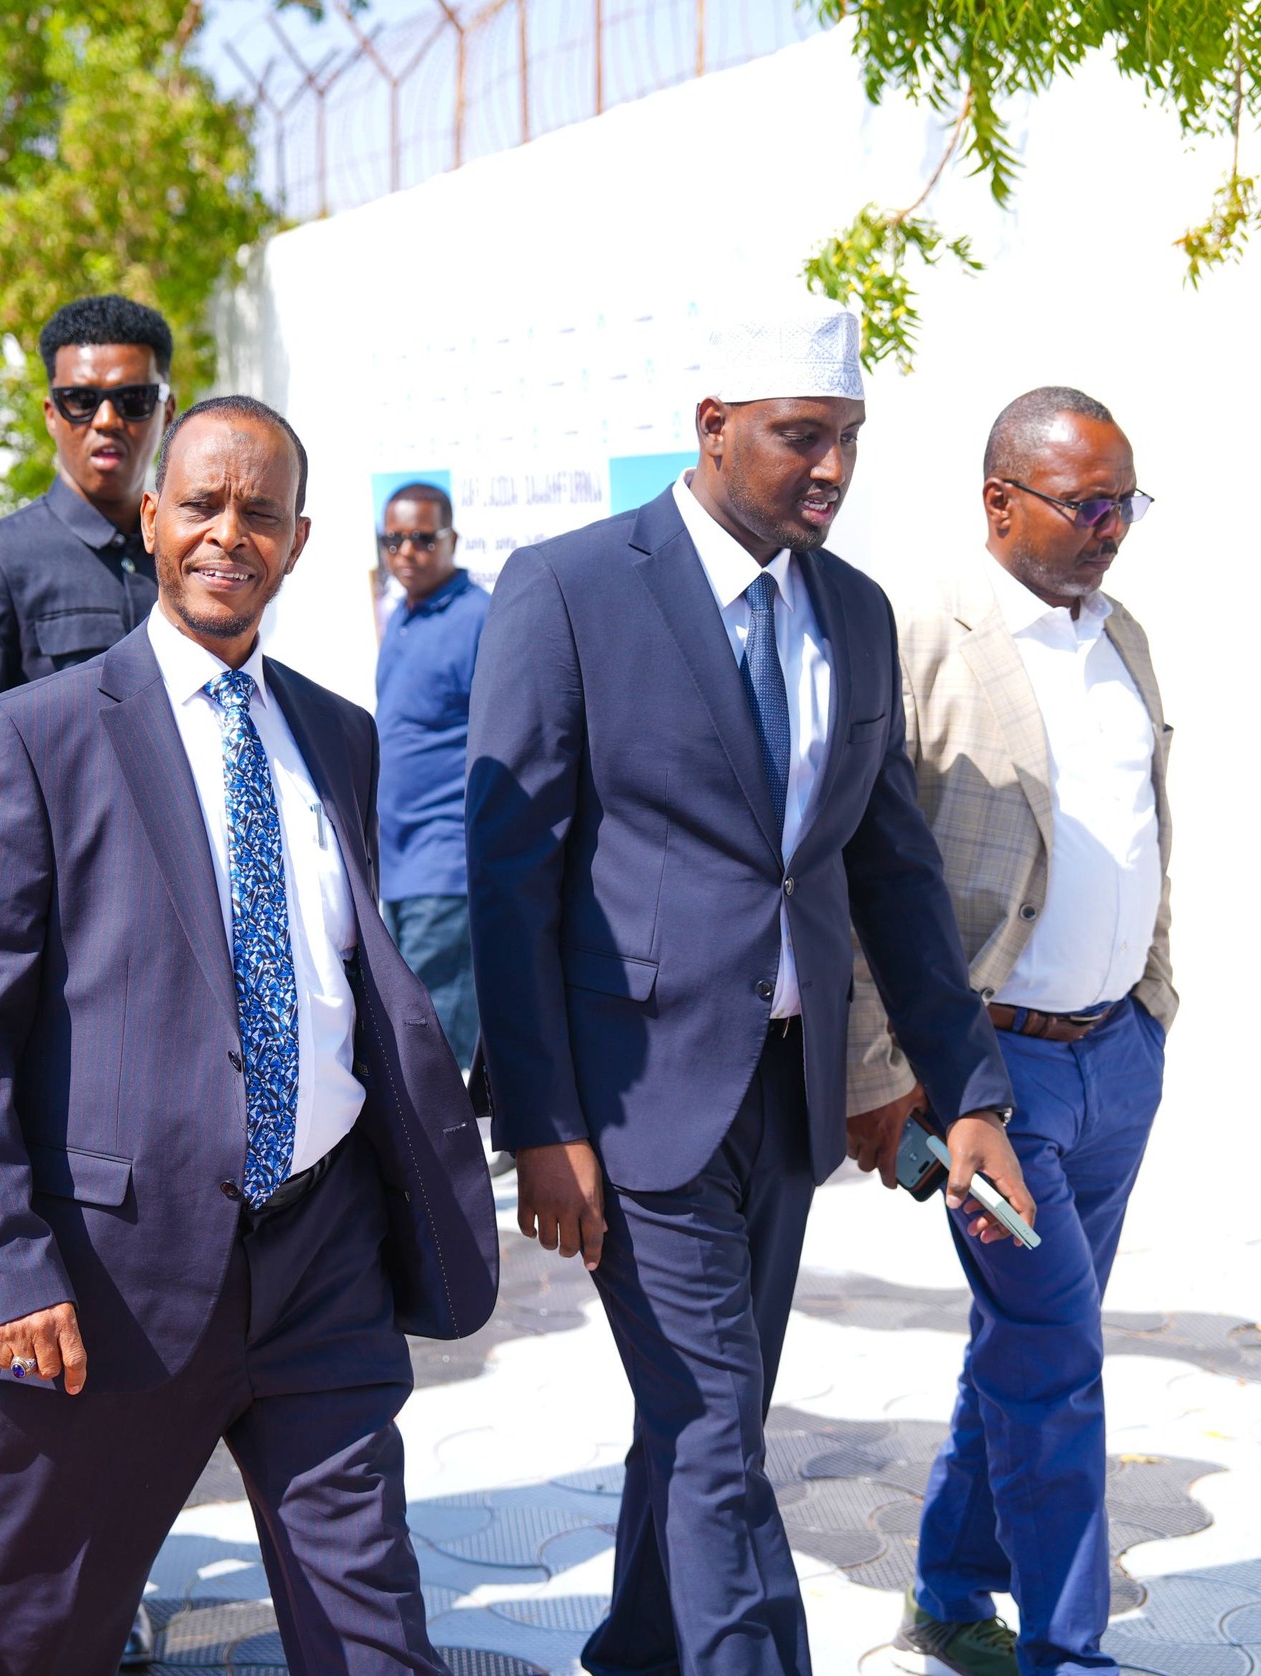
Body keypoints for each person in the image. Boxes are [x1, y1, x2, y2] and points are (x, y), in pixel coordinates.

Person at [466, 305, 1035, 1676]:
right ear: (713, 425)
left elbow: (890, 873)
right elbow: (510, 879)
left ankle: (637, 1651)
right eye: (800, 437)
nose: (830, 468)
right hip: (632, 1102)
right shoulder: (568, 587)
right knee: (717, 1438)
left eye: (848, 439)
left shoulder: (852, 610)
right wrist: (542, 1124)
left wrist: (964, 1092)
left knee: (703, 1419)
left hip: (784, 1100)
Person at [0, 395, 498, 1673]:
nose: (226, 533)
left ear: (297, 541)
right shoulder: (40, 733)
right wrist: (8, 1262)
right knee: (35, 1639)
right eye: (200, 504)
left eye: (259, 512)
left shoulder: (337, 734)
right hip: (108, 1280)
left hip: (323, 1257)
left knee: (374, 1633)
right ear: (150, 518)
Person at [845, 388, 1173, 1676]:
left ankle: (945, 1581)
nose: (1111, 528)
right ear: (998, 500)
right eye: (1085, 504)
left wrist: (1149, 998)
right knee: (1055, 1360)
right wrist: (885, 1075)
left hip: (1117, 1058)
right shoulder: (923, 634)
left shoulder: (1120, 634)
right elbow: (865, 868)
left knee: (1023, 1338)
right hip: (993, 1076)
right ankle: (1065, 1653)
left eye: (1124, 503)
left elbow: (1142, 821)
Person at [0, 293, 176, 876]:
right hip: (62, 906)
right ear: (51, 413)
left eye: (133, 400)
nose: (106, 421)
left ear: (167, 410)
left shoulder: (187, 562)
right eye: (80, 401)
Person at [374, 481, 490, 1070]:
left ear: (452, 540)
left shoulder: (479, 619)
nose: (405, 553)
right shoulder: (402, 613)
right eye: (392, 539)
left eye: (422, 538)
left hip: (445, 863)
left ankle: (453, 1133)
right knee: (405, 1023)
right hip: (395, 863)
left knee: (429, 1035)